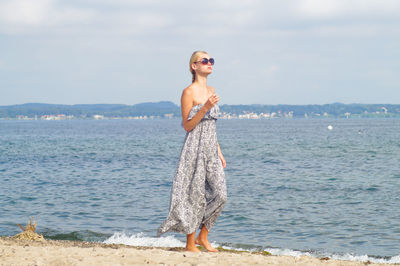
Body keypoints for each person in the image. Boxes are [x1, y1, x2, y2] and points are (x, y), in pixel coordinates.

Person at [157, 51, 227, 252]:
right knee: (194, 194)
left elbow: (212, 126)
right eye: (204, 61)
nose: (209, 63)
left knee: (220, 195)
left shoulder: (212, 90)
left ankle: (202, 236)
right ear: (193, 66)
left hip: (210, 147)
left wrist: (219, 150)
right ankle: (190, 243)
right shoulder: (188, 92)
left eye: (211, 60)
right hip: (194, 147)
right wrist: (205, 107)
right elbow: (187, 125)